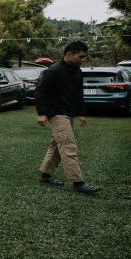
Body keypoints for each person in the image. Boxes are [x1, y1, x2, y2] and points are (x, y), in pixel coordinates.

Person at [35, 40, 100, 194]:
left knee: (57, 146)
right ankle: (78, 183)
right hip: (56, 113)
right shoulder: (53, 70)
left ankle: (45, 175)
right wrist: (42, 113)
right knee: (68, 145)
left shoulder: (78, 71)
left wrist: (82, 113)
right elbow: (40, 91)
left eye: (84, 57)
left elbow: (79, 94)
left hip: (69, 113)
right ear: (69, 54)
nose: (83, 60)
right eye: (80, 56)